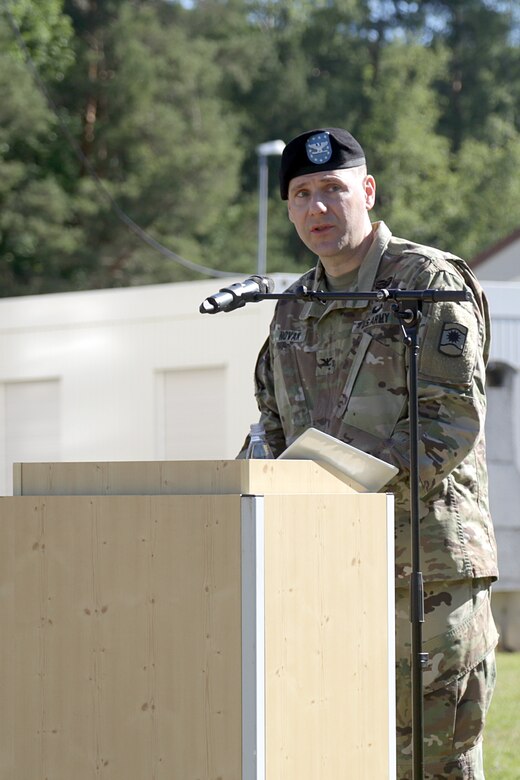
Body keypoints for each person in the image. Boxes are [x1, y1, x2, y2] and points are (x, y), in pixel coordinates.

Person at [240, 127, 499, 779]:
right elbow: (272, 430)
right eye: (302, 193)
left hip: (426, 576)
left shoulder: (427, 283)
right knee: (339, 754)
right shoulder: (293, 307)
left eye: (333, 188)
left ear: (368, 190)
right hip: (326, 573)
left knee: (432, 764)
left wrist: (343, 489)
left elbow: (451, 426)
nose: (318, 208)